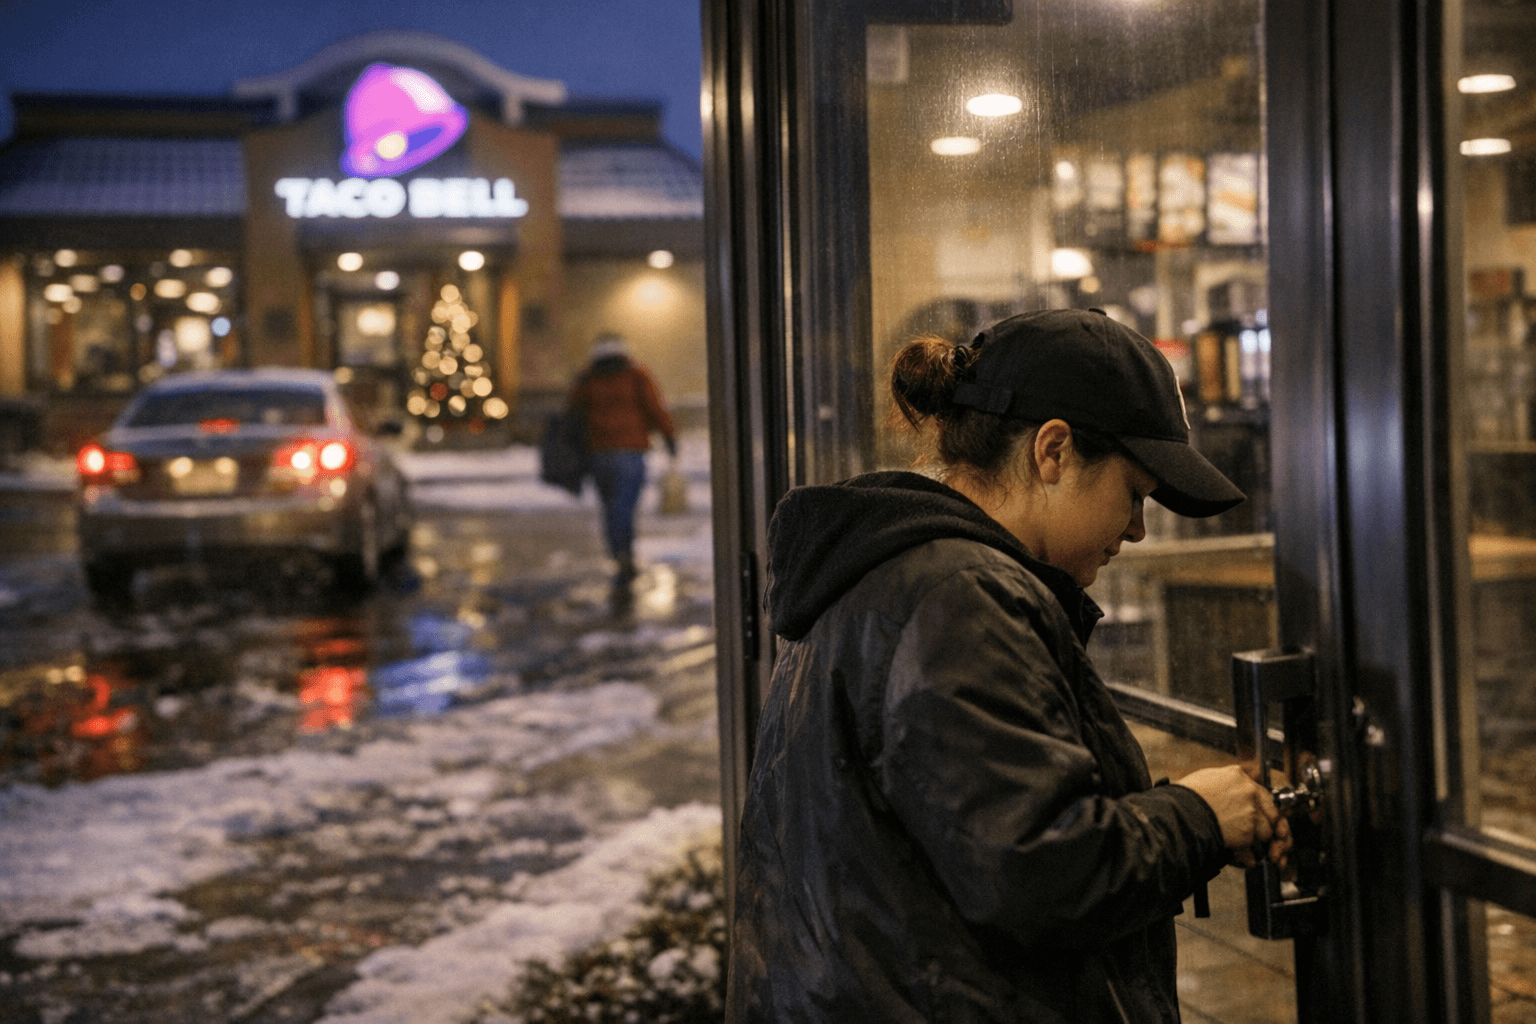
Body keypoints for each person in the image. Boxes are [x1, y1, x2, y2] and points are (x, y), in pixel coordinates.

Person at [729, 309, 1292, 1023]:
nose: (1137, 529)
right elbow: (1040, 872)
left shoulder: (898, 572)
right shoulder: (960, 594)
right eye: (1135, 494)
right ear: (1052, 452)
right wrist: (1202, 817)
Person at [565, 332, 678, 583]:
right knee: (624, 507)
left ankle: (618, 554)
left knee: (610, 508)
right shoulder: (636, 375)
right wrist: (668, 436)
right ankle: (624, 554)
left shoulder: (588, 378)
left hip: (599, 454)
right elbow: (654, 406)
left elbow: (573, 413)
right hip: (630, 451)